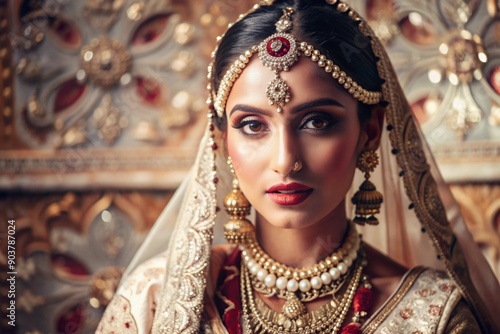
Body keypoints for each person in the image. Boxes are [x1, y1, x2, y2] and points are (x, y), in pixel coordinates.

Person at [97, 0, 500, 333]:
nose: (285, 159)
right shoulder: (156, 300)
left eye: (317, 122)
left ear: (370, 132)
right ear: (221, 140)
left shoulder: (434, 317)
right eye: (252, 126)